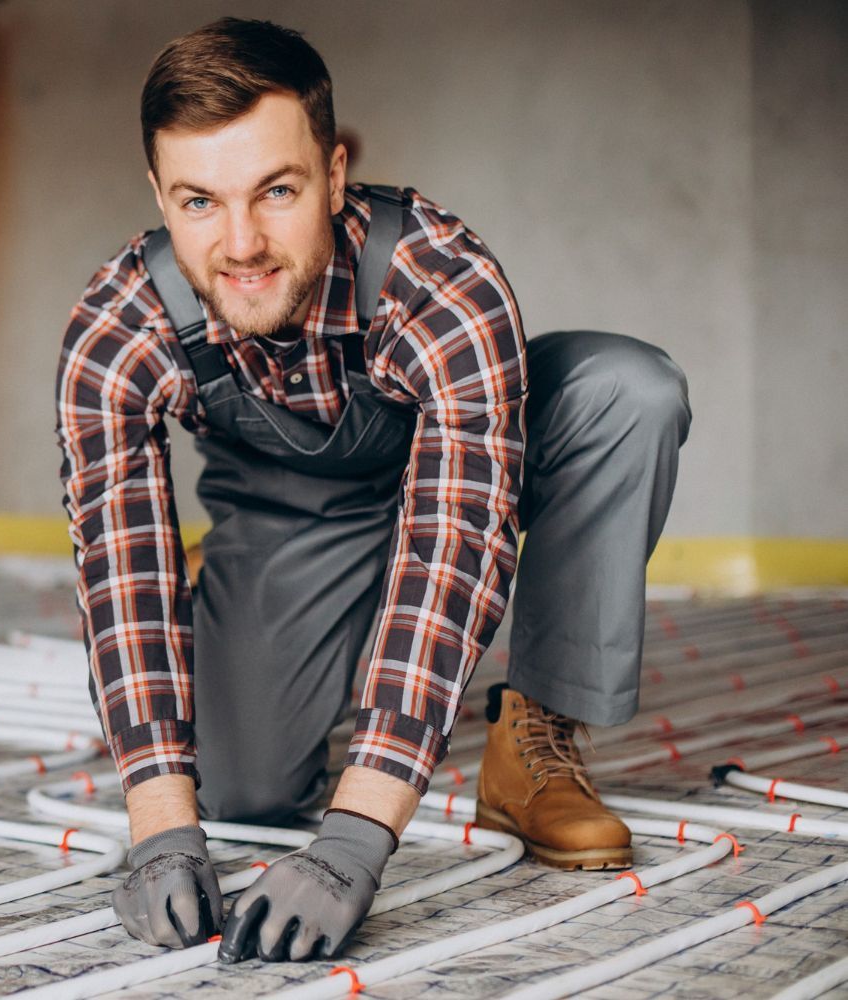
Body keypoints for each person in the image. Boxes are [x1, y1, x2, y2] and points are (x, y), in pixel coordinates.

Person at [54, 17, 690, 964]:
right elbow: (123, 575)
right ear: (158, 195)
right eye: (199, 202)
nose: (241, 243)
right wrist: (160, 824)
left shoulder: (441, 278)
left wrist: (356, 838)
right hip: (294, 512)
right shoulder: (119, 327)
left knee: (626, 391)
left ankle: (535, 737)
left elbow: (456, 542)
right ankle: (260, 613)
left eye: (277, 190)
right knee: (244, 792)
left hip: (468, 468)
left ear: (335, 173)